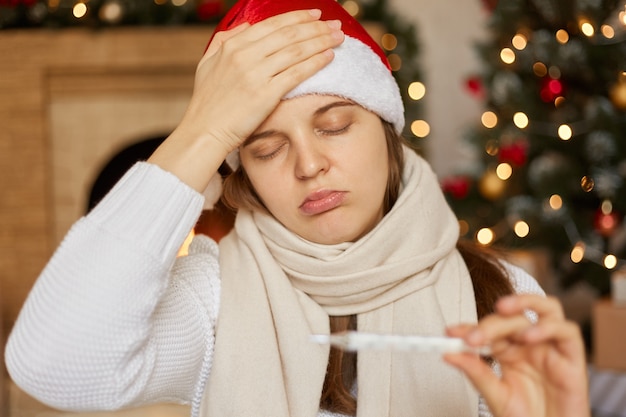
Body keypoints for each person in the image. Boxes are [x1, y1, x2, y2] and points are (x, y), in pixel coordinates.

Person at [4, 0, 589, 416]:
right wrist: (202, 132)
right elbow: (52, 364)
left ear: (387, 134)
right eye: (266, 147)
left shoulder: (500, 293)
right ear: (246, 175)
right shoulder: (214, 296)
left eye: (334, 126)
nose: (308, 165)